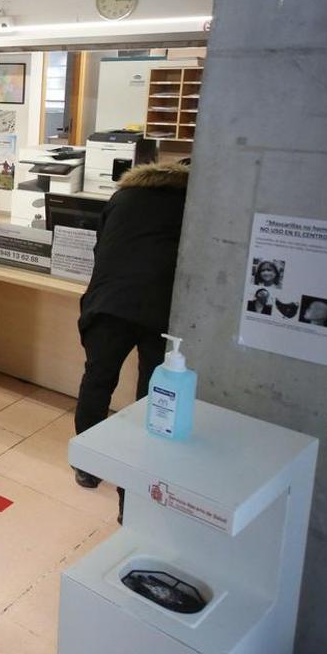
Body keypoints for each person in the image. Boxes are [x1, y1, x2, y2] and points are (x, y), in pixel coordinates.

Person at [73, 161, 190, 519]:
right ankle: (135, 492)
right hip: (160, 309)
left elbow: (101, 246)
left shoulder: (123, 197)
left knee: (97, 380)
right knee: (151, 397)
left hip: (109, 303)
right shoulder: (187, 201)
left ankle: (88, 465)